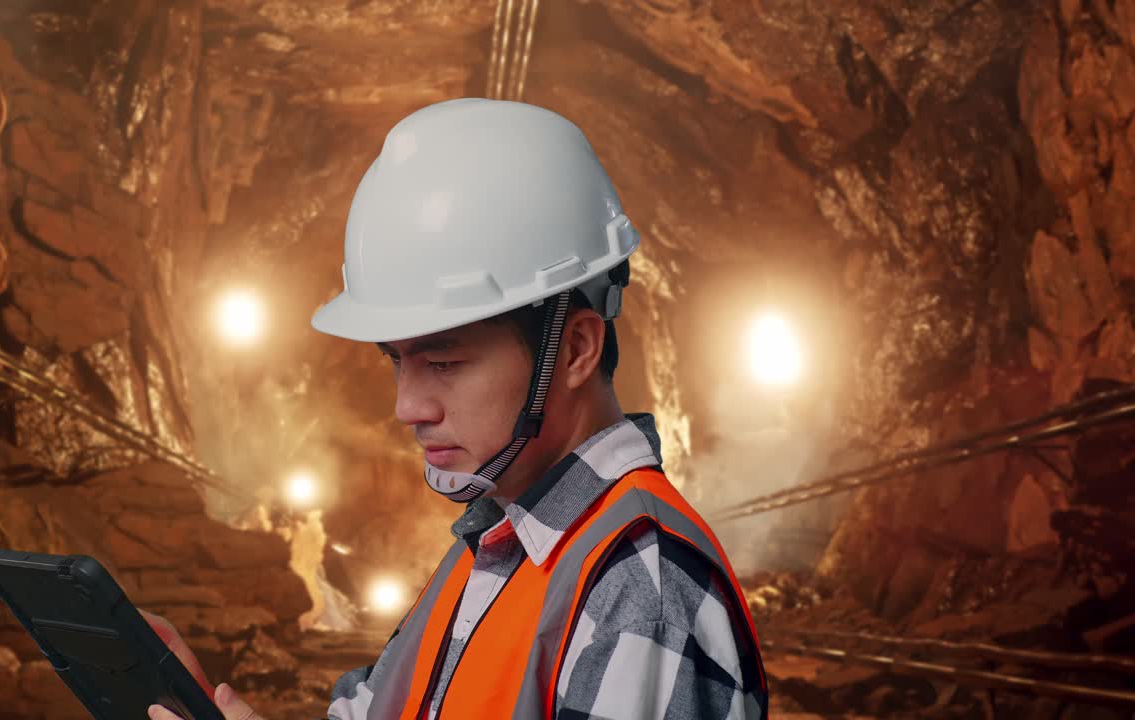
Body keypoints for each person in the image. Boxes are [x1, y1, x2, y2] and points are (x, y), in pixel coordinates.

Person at [147, 98, 767, 720]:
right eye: (397, 360)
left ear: (575, 347)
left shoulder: (637, 586)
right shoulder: (497, 543)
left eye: (443, 363)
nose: (406, 407)